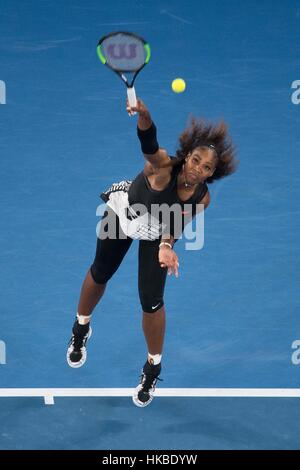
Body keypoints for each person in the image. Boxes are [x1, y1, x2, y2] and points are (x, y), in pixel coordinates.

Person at [66, 98, 237, 407]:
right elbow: (149, 144)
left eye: (207, 167)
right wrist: (144, 116)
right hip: (123, 217)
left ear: (213, 172)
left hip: (157, 231)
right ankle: (81, 328)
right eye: (196, 160)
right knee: (101, 271)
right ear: (186, 156)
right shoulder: (161, 168)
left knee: (152, 300)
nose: (199, 169)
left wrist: (166, 246)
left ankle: (153, 367)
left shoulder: (202, 197)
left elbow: (177, 221)